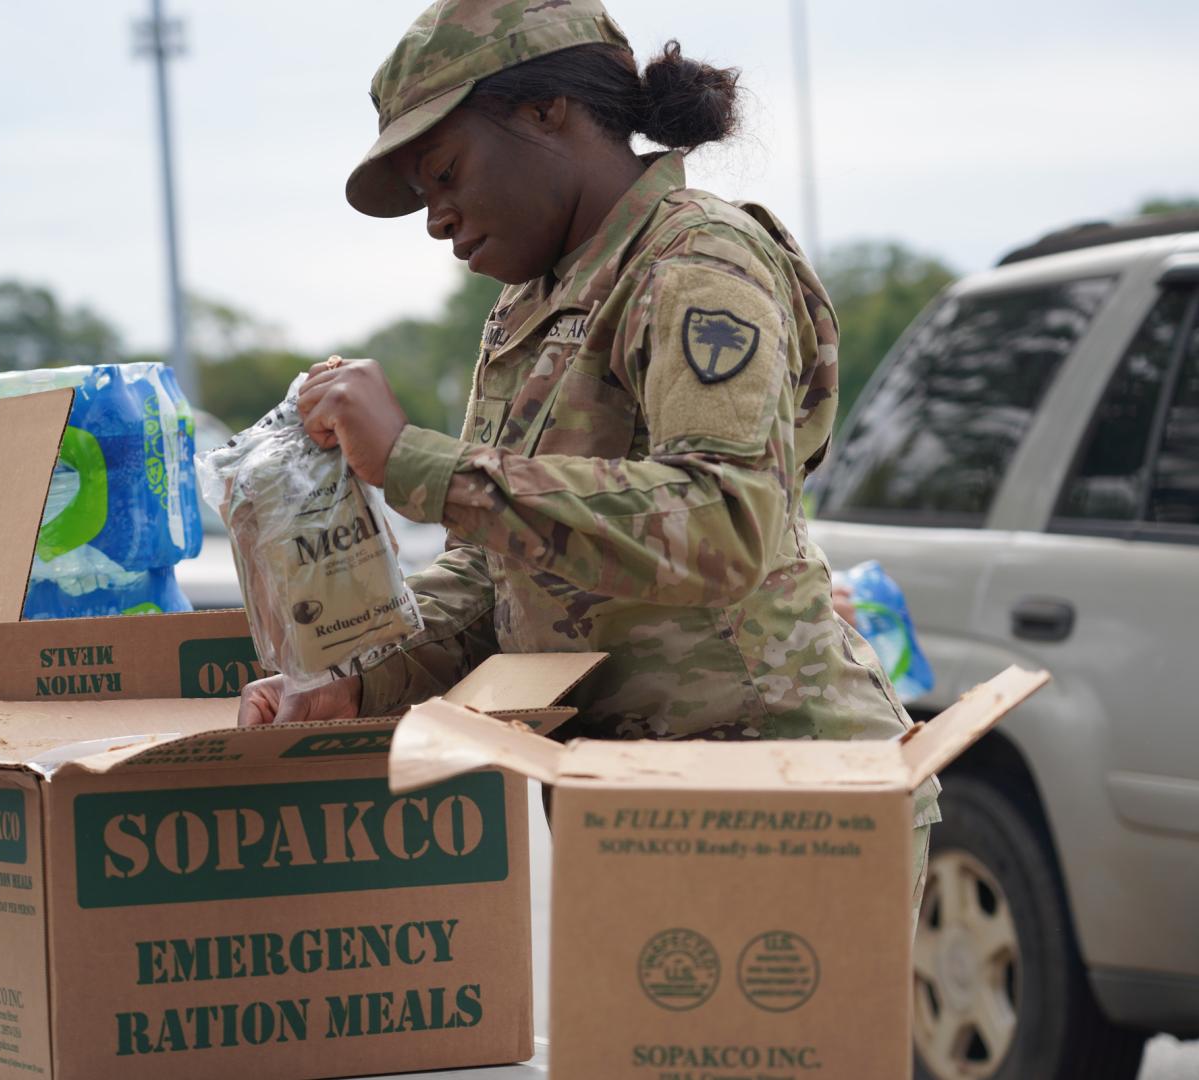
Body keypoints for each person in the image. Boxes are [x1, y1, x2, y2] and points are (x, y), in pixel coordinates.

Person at [238, 0, 937, 908]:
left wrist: (418, 464)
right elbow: (499, 581)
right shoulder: (533, 307)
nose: (435, 219)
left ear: (546, 112)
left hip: (782, 792)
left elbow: (727, 525)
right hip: (637, 805)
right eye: (422, 195)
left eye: (445, 172)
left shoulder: (694, 262)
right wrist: (351, 679)